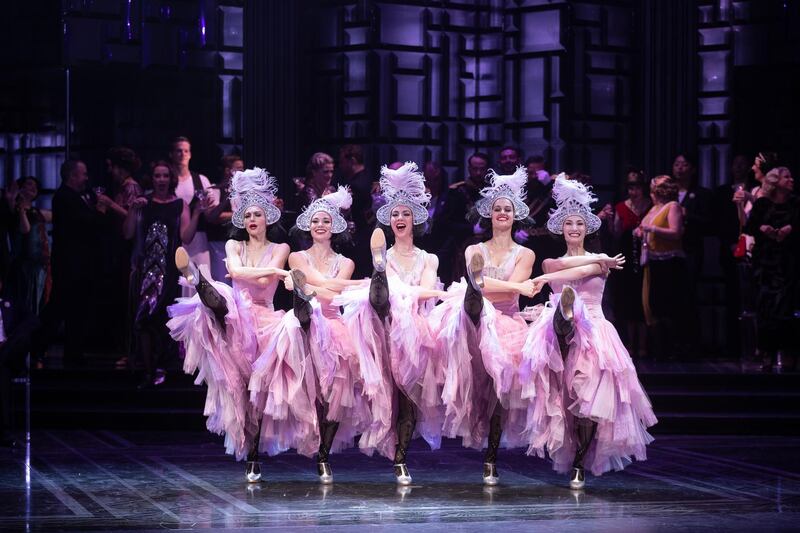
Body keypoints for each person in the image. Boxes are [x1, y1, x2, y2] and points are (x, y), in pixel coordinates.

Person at [520, 175, 657, 490]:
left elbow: (587, 270)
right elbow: (569, 270)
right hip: (556, 334)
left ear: (587, 228)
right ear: (561, 228)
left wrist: (600, 261)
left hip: (594, 331)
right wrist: (543, 280)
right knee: (561, 400)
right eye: (569, 224)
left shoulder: (600, 261)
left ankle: (580, 462)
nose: (574, 229)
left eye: (579, 224)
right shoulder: (551, 263)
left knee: (587, 398)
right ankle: (571, 455)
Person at [169, 166, 294, 482]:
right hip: (236, 316)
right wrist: (270, 275)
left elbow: (263, 279)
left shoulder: (281, 248)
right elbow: (238, 274)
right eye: (248, 215)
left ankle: (253, 455)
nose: (252, 220)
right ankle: (198, 281)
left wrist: (270, 274)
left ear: (268, 219)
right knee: (221, 299)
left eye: (258, 215)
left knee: (255, 396)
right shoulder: (233, 246)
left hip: (265, 322)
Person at [335, 162, 447, 484]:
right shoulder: (384, 254)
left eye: (405, 215)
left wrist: (402, 292)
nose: (399, 219)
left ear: (415, 220)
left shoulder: (429, 258)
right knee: (388, 396)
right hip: (383, 328)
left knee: (410, 397)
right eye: (395, 214)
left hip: (414, 330)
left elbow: (427, 290)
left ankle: (401, 458)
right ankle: (381, 273)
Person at [251, 186, 370, 484]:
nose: (320, 225)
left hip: (333, 326)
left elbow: (331, 293)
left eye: (326, 221)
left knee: (334, 396)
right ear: (308, 225)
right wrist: (351, 285)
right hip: (304, 325)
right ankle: (266, 451)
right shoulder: (296, 257)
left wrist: (336, 286)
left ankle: (324, 455)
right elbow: (316, 286)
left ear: (334, 228)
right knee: (305, 392)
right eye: (315, 221)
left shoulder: (346, 262)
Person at [432, 166, 537, 485]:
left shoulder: (526, 253)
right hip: (476, 319)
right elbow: (477, 285)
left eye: (507, 209)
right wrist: (515, 288)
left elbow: (504, 289)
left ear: (515, 214)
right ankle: (482, 442)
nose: (502, 213)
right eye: (497, 209)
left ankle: (491, 456)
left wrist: (507, 287)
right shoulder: (473, 249)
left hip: (507, 324)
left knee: (498, 393)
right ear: (489, 215)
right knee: (477, 389)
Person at [124, 161, 209, 388]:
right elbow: (127, 233)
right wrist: (132, 208)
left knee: (163, 318)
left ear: (170, 179)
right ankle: (148, 369)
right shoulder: (144, 203)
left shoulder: (180, 204)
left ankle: (161, 367)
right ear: (151, 179)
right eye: (157, 175)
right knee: (143, 318)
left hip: (168, 270)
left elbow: (186, 237)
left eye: (165, 176)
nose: (161, 179)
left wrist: (197, 212)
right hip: (145, 270)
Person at [32, 160, 110, 367]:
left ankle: (73, 353)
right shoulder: (64, 197)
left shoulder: (79, 196)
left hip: (80, 264)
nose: (86, 178)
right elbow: (85, 224)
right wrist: (100, 210)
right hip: (70, 265)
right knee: (59, 308)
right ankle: (35, 346)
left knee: (76, 309)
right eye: (82, 174)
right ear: (72, 176)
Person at [743, 167, 798, 372]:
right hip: (766, 263)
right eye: (787, 177)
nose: (791, 180)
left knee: (786, 308)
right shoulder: (763, 204)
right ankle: (767, 353)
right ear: (775, 182)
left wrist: (790, 229)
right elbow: (750, 227)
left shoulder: (795, 203)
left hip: (788, 262)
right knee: (766, 308)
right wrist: (763, 228)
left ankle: (788, 353)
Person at [635, 175, 690, 359]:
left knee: (667, 305)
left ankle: (672, 349)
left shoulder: (672, 206)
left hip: (669, 262)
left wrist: (652, 230)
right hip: (653, 261)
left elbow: (675, 233)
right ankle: (658, 349)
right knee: (653, 305)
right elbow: (645, 226)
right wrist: (640, 231)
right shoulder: (655, 208)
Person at [170, 136, 219, 297]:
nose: (182, 154)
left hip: (198, 240)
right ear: (172, 154)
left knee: (200, 285)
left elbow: (211, 214)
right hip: (173, 240)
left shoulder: (201, 180)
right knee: (176, 286)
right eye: (178, 151)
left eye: (186, 151)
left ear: (190, 154)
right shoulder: (166, 181)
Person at [612, 169, 651, 357]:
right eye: (630, 187)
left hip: (645, 256)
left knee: (642, 301)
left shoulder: (650, 206)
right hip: (627, 256)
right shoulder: (621, 207)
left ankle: (643, 345)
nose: (632, 191)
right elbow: (616, 234)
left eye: (636, 187)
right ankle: (628, 344)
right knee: (626, 301)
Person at [440, 152, 490, 285]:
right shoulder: (457, 191)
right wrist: (471, 230)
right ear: (469, 168)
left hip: (489, 242)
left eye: (482, 169)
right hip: (461, 243)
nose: (478, 172)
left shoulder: (493, 191)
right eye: (475, 168)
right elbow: (445, 222)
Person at [6, 177, 52, 316]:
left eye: (35, 186)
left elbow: (59, 216)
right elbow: (25, 229)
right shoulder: (15, 210)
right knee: (25, 307)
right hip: (25, 268)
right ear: (21, 188)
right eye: (28, 184)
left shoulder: (37, 212)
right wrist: (16, 203)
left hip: (40, 268)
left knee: (39, 307)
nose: (33, 188)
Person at [205, 154, 244, 285]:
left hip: (240, 243)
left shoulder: (243, 191)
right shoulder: (215, 189)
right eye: (238, 169)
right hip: (219, 244)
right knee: (222, 282)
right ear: (228, 170)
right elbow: (212, 217)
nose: (242, 172)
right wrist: (237, 214)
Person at [338, 144, 373, 276]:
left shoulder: (356, 185)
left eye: (342, 161)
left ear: (352, 161)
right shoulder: (368, 177)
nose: (340, 165)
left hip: (359, 241)